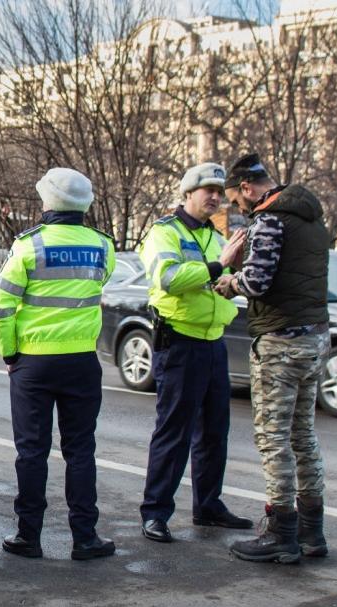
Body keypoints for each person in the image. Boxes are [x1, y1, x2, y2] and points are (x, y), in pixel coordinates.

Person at [0, 167, 117, 561]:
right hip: (82, 361)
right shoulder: (102, 246)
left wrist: (10, 354)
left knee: (32, 452)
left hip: (34, 364)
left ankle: (29, 536)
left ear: (48, 202)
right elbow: (100, 283)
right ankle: (85, 538)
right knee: (81, 451)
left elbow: (1, 306)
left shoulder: (29, 246)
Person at [215, 153, 330, 564]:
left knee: (273, 437)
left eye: (234, 199)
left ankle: (281, 530)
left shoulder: (268, 220)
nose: (236, 207)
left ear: (247, 188)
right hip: (315, 336)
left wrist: (229, 282)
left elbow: (258, 282)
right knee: (304, 434)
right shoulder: (311, 218)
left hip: (280, 341)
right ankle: (312, 530)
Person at [137, 163, 252, 544]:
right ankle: (155, 511)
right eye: (208, 190)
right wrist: (219, 265)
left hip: (213, 341)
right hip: (180, 342)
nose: (216, 197)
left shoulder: (214, 235)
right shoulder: (163, 232)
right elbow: (168, 280)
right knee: (174, 431)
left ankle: (208, 505)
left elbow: (217, 279)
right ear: (188, 193)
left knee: (215, 432)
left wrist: (232, 279)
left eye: (220, 191)